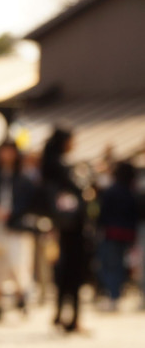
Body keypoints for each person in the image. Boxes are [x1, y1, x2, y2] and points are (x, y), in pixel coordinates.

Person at [0, 140, 37, 322]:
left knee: (17, 263)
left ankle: (22, 297)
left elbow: (30, 203)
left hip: (15, 227)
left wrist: (13, 213)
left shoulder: (24, 178)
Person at [41, 127, 89, 333]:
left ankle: (60, 314)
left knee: (62, 272)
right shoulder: (60, 166)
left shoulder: (49, 165)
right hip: (72, 227)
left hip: (59, 225)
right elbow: (78, 191)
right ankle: (72, 318)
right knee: (73, 272)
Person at [96, 161, 138, 311]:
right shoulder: (131, 192)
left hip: (112, 233)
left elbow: (103, 213)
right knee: (119, 266)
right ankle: (115, 295)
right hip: (126, 234)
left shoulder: (112, 191)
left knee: (110, 266)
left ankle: (114, 296)